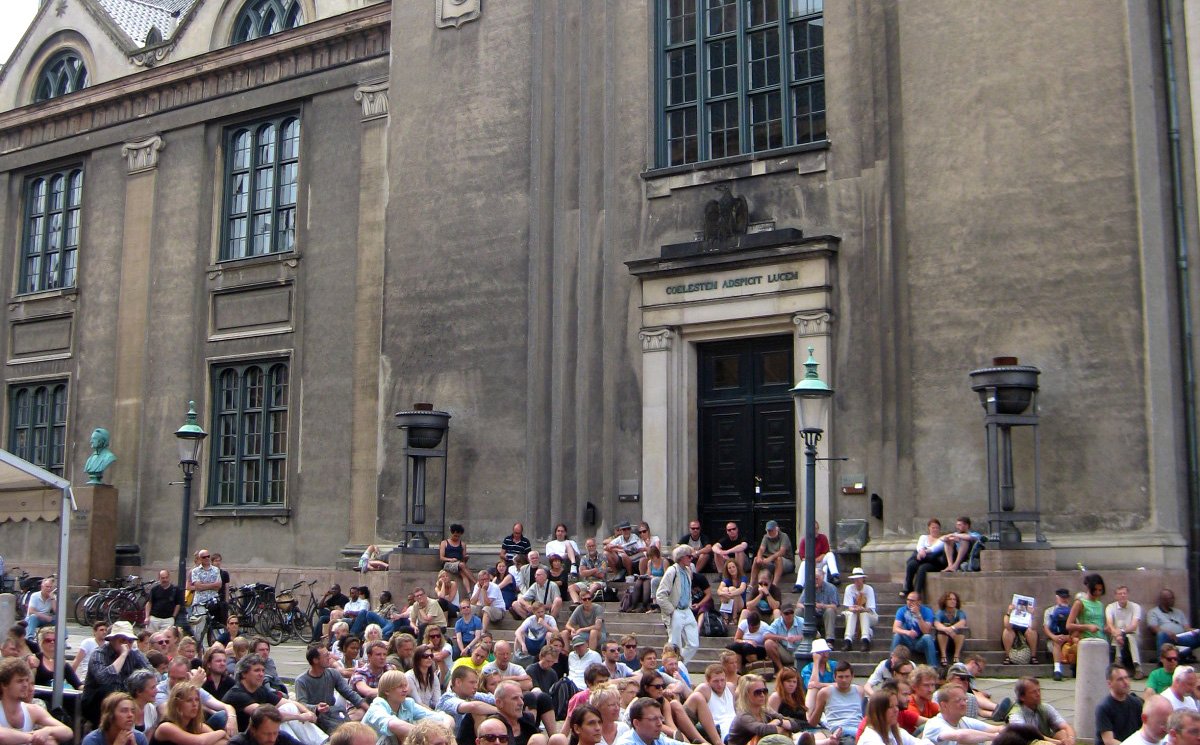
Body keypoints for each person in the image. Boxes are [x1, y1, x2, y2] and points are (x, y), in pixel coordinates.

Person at [223, 654, 324, 745]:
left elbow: (289, 702)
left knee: (288, 707)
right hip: (251, 736)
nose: (261, 674)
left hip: (267, 733)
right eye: (256, 670)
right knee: (278, 720)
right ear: (244, 674)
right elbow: (265, 716)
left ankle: (319, 742)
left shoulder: (260, 690)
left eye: (263, 670)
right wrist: (299, 717)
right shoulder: (236, 694)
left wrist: (307, 712)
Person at [83, 620, 153, 727]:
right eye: (122, 640)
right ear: (112, 640)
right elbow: (104, 679)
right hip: (98, 704)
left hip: (125, 700)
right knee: (107, 691)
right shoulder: (98, 654)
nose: (126, 644)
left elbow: (152, 675)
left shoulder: (135, 654)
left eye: (129, 641)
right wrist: (123, 655)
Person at [295, 644, 367, 734]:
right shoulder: (301, 681)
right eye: (326, 655)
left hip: (332, 714)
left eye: (329, 654)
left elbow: (349, 693)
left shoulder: (333, 673)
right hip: (313, 719)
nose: (330, 657)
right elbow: (301, 704)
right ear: (315, 660)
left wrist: (368, 709)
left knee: (361, 712)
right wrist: (316, 708)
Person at [0, 657, 72, 743]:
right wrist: (33, 737)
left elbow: (68, 732)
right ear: (4, 685)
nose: (25, 685)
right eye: (20, 681)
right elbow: (2, 736)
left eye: (26, 680)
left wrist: (48, 730)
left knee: (49, 741)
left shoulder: (33, 710)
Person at [363, 670, 444, 743]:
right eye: (400, 686)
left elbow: (439, 718)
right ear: (387, 691)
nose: (405, 689)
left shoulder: (407, 703)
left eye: (406, 686)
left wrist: (445, 726)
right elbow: (393, 725)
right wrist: (427, 735)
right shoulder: (377, 706)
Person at [654, 546, 699, 665]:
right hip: (676, 610)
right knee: (675, 644)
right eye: (689, 556)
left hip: (686, 610)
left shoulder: (688, 571)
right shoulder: (672, 571)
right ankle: (673, 667)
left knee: (694, 643)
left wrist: (689, 605)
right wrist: (672, 611)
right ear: (681, 557)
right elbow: (660, 595)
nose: (691, 558)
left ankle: (677, 664)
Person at [725, 674, 799, 745]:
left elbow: (795, 725)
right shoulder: (743, 716)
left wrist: (779, 721)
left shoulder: (765, 711)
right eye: (757, 692)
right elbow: (762, 730)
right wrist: (781, 726)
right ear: (746, 695)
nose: (762, 695)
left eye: (764, 691)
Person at [920, 684, 999, 745]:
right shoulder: (934, 724)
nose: (964, 704)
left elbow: (995, 729)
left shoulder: (963, 720)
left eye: (965, 700)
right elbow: (961, 736)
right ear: (944, 705)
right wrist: (995, 737)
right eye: (958, 701)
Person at [153, 683, 230, 745]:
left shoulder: (196, 725)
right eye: (189, 700)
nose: (195, 704)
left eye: (197, 700)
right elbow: (200, 742)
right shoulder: (165, 727)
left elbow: (223, 742)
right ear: (177, 704)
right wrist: (222, 732)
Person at [1007, 677, 1076, 745]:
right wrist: (1055, 742)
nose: (1038, 694)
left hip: (1045, 741)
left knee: (1063, 733)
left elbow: (1065, 726)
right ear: (1022, 697)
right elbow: (1027, 734)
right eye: (1033, 692)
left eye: (1039, 690)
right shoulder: (1015, 714)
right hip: (1028, 742)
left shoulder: (1045, 708)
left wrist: (1070, 738)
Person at [807, 662, 859, 745]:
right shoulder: (825, 692)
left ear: (852, 677)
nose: (844, 680)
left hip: (858, 730)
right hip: (839, 732)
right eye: (840, 677)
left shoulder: (859, 691)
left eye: (847, 676)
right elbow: (813, 722)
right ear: (835, 677)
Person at [1097, 665, 1144, 745]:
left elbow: (1144, 730)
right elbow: (1109, 741)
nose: (1126, 682)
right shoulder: (1104, 708)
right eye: (1120, 679)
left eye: (1126, 678)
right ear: (1109, 683)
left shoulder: (1137, 703)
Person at [901, 518, 947, 597]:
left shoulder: (941, 539)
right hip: (921, 558)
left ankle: (917, 593)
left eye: (937, 528)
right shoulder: (923, 537)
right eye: (933, 527)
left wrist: (924, 552)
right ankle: (907, 588)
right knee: (911, 564)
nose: (935, 529)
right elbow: (919, 546)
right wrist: (921, 551)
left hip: (933, 561)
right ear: (929, 528)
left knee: (922, 568)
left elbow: (935, 548)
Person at [83, 692, 150, 745]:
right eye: (124, 711)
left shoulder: (139, 738)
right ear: (110, 715)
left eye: (132, 711)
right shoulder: (92, 740)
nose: (130, 715)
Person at [1149, 591, 1200, 660]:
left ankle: (1182, 654)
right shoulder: (1153, 612)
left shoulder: (1179, 612)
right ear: (1163, 600)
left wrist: (1194, 631)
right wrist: (1167, 633)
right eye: (1171, 598)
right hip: (1167, 638)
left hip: (1181, 638)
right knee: (1161, 634)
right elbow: (1154, 628)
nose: (1173, 600)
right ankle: (1161, 660)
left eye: (1173, 598)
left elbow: (1186, 628)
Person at [892, 592, 938, 667]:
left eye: (912, 601)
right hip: (907, 641)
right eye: (908, 600)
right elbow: (895, 628)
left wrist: (918, 615)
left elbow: (926, 631)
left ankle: (933, 667)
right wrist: (907, 632)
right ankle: (892, 663)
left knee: (928, 637)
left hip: (920, 642)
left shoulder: (927, 611)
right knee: (897, 635)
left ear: (919, 602)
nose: (909, 602)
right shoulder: (902, 610)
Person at [1108, 586, 1145, 678]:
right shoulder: (1110, 607)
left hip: (1134, 636)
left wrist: (1121, 632)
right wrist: (1117, 634)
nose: (1123, 596)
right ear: (1116, 596)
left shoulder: (1136, 607)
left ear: (1128, 594)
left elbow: (1134, 626)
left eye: (1124, 593)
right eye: (1120, 594)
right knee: (1117, 636)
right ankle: (1119, 661)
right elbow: (1110, 624)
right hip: (1116, 637)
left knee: (1130, 637)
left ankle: (1137, 668)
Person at [839, 567, 877, 652]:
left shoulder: (869, 589)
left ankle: (865, 639)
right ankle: (848, 640)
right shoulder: (849, 588)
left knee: (863, 614)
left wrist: (861, 609)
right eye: (855, 579)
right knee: (852, 614)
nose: (857, 581)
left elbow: (870, 608)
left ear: (863, 579)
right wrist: (854, 608)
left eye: (859, 579)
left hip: (869, 615)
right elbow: (848, 606)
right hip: (854, 615)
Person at [793, 521, 839, 592]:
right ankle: (799, 585)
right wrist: (813, 561)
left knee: (830, 555)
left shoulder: (823, 538)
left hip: (820, 562)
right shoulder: (804, 541)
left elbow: (825, 553)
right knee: (803, 564)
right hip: (810, 564)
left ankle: (835, 576)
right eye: (814, 529)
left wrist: (815, 560)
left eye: (817, 529)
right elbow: (803, 558)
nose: (815, 531)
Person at [1068, 574, 1109, 645]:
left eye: (1100, 590)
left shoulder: (1100, 604)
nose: (1097, 593)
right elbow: (1069, 625)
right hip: (1086, 641)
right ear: (1089, 588)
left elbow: (1100, 623)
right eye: (1095, 590)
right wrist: (1087, 627)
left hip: (1101, 640)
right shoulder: (1079, 603)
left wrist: (1106, 628)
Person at [750, 521, 794, 588]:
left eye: (771, 530)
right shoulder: (766, 537)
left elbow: (782, 551)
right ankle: (751, 584)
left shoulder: (784, 536)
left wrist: (770, 558)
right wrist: (759, 557)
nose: (769, 532)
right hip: (771, 562)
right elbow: (761, 549)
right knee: (756, 559)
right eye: (768, 530)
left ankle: (774, 585)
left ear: (777, 529)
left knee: (778, 558)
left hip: (786, 562)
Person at [226, 706, 300, 745]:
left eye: (275, 733)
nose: (272, 739)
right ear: (253, 730)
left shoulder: (282, 738)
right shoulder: (237, 743)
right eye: (266, 734)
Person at [763, 604, 804, 674]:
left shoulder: (801, 621)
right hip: (784, 652)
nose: (789, 615)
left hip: (799, 651)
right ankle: (781, 669)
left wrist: (798, 637)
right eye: (786, 613)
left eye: (791, 612)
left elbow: (816, 634)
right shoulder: (777, 622)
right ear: (781, 614)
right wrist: (784, 638)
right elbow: (766, 635)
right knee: (768, 643)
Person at [1043, 589, 1074, 680]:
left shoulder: (1073, 610)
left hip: (1070, 636)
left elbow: (1077, 626)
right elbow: (1046, 627)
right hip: (1055, 638)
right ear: (1057, 598)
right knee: (1057, 642)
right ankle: (1057, 670)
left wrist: (1069, 637)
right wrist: (1054, 637)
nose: (1064, 599)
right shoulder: (1050, 611)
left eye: (1066, 597)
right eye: (1062, 597)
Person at [799, 638, 835, 711]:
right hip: (815, 701)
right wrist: (816, 663)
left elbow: (840, 684)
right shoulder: (807, 669)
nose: (825, 655)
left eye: (826, 652)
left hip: (832, 698)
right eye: (821, 652)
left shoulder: (834, 665)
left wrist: (820, 685)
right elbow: (811, 686)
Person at [936, 592, 969, 666]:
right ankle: (943, 656)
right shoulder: (941, 612)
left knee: (960, 632)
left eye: (954, 599)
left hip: (955, 639)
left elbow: (962, 622)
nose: (952, 601)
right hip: (943, 641)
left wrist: (952, 628)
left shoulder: (959, 613)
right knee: (941, 632)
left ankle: (956, 656)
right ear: (945, 601)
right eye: (950, 599)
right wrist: (947, 630)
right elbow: (937, 624)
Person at [440, 524, 475, 593]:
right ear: (451, 533)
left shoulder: (462, 544)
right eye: (455, 536)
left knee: (463, 574)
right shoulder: (444, 543)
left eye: (458, 536)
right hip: (448, 563)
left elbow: (463, 560)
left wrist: (465, 558)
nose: (456, 538)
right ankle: (475, 582)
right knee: (461, 565)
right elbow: (441, 557)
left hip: (459, 564)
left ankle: (469, 592)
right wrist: (450, 559)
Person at [188, 550, 222, 620]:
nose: (206, 558)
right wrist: (213, 585)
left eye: (208, 556)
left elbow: (219, 585)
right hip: (200, 603)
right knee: (201, 627)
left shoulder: (216, 570)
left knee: (215, 627)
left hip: (214, 602)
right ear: (200, 559)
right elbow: (198, 587)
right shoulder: (195, 571)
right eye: (204, 557)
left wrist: (203, 585)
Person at [633, 547, 667, 614]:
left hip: (661, 579)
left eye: (653, 557)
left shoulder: (664, 561)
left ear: (657, 555)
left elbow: (667, 576)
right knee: (640, 582)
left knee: (654, 581)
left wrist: (654, 577)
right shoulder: (650, 562)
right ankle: (637, 604)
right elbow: (649, 574)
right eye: (650, 557)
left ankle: (654, 604)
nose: (652, 559)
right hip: (653, 579)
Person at [23, 578, 56, 643]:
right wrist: (45, 617)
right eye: (47, 587)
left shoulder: (53, 597)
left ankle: (63, 640)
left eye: (50, 587)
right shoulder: (35, 596)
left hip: (46, 620)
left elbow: (56, 611)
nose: (49, 589)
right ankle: (30, 638)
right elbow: (31, 611)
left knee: (60, 620)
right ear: (42, 587)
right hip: (34, 618)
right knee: (33, 617)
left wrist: (52, 599)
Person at [810, 571, 839, 639]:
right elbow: (799, 604)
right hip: (812, 614)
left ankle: (830, 639)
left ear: (822, 578)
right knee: (799, 611)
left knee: (830, 611)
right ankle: (803, 637)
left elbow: (834, 606)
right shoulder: (809, 587)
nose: (815, 581)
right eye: (814, 579)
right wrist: (810, 607)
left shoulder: (831, 588)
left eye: (817, 579)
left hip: (825, 614)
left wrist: (823, 606)